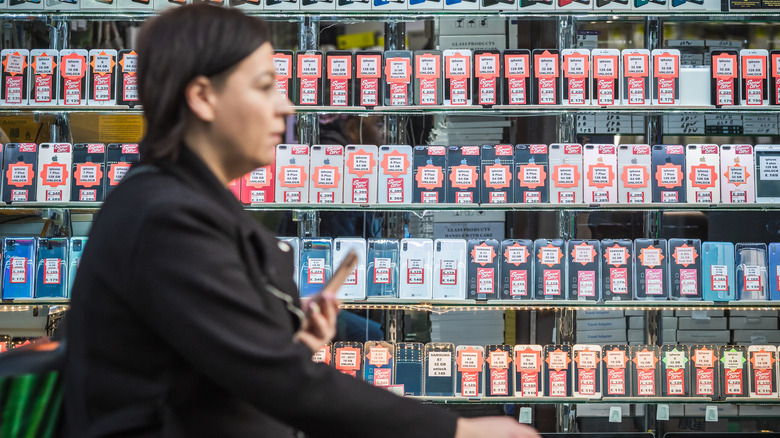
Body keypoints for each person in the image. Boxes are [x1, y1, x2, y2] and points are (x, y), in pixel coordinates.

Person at [62, 5, 541, 438]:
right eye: (265, 86)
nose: (286, 107)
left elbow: (202, 364)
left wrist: (285, 337)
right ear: (203, 97)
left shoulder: (181, 202)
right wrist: (458, 432)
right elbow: (285, 387)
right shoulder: (167, 219)